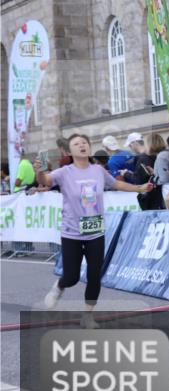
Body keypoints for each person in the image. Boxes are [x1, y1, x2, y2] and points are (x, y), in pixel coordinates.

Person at [34, 134, 153, 327]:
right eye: (76, 144)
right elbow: (46, 180)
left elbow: (117, 184)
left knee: (94, 275)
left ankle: (87, 316)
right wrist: (38, 172)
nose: (81, 145)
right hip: (71, 232)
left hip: (96, 231)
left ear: (88, 148)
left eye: (84, 143)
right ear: (70, 151)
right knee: (71, 276)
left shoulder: (98, 170)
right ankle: (60, 286)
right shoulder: (64, 172)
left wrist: (139, 188)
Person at [135, 134, 167, 210]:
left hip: (157, 196)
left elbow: (164, 178)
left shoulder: (160, 156)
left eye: (146, 144)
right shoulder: (163, 154)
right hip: (160, 195)